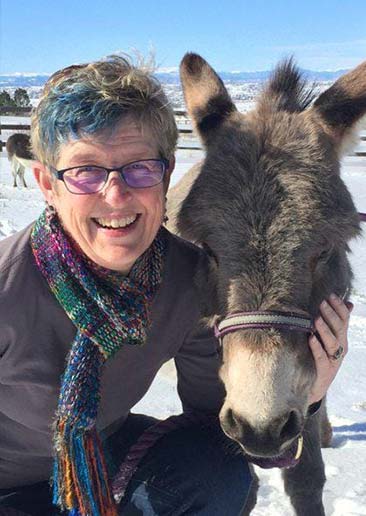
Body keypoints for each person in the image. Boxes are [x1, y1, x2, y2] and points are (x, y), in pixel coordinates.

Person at [0, 55, 352, 516]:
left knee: (216, 475)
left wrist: (306, 397)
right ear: (47, 182)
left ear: (166, 175)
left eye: (140, 168)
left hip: (104, 463)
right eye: (86, 171)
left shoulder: (189, 280)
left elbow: (220, 428)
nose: (116, 195)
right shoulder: (8, 289)